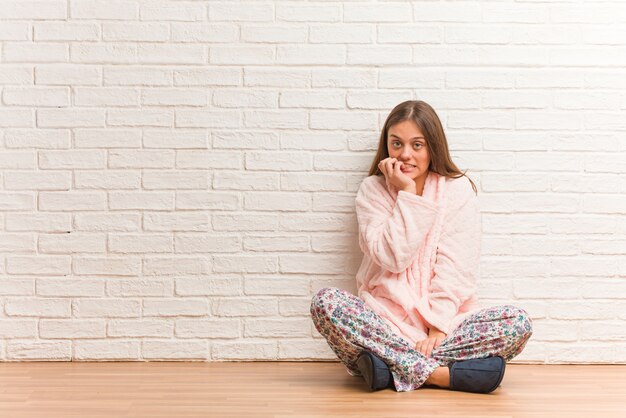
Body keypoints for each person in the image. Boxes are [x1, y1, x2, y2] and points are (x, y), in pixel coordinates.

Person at [310, 100, 533, 393]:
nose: (405, 154)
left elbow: (457, 268)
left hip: (445, 327)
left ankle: (388, 369)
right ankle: (441, 374)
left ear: (433, 146)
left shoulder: (457, 190)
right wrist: (407, 194)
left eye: (417, 145)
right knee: (326, 303)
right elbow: (392, 258)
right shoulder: (373, 191)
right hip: (384, 322)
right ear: (386, 145)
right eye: (397, 144)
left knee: (517, 323)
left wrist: (437, 328)